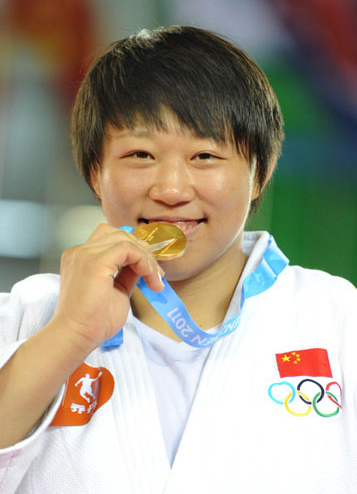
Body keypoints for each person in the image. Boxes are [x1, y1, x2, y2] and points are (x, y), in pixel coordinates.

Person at [0, 25, 356, 494]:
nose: (170, 190)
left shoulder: (336, 317)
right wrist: (70, 334)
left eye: (205, 155)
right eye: (140, 154)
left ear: (259, 173)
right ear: (95, 172)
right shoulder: (26, 315)